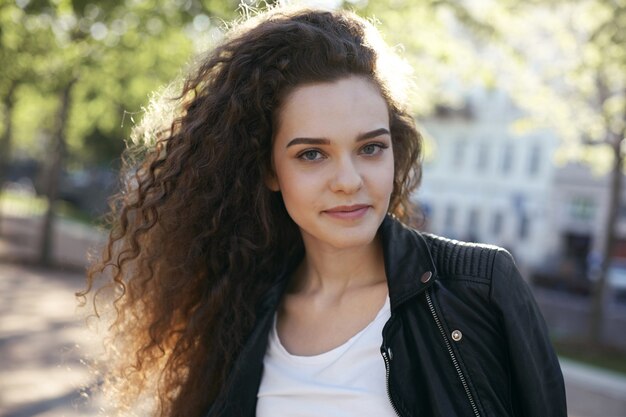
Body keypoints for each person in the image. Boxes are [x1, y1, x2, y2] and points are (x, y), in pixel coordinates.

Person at [81, 5, 567, 417]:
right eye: (312, 154)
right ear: (269, 170)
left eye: (370, 148)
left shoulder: (478, 288)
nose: (349, 180)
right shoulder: (238, 312)